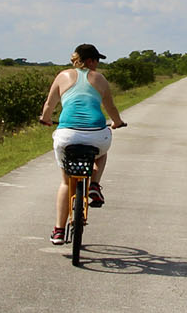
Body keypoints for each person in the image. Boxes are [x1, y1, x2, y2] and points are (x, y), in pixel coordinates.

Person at [37, 43, 126, 245]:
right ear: (91, 60)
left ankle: (59, 231)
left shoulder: (62, 76)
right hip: (96, 134)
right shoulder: (100, 79)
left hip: (67, 136)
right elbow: (110, 107)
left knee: (65, 182)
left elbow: (49, 105)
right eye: (97, 61)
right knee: (101, 154)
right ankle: (94, 183)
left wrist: (46, 118)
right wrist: (117, 122)